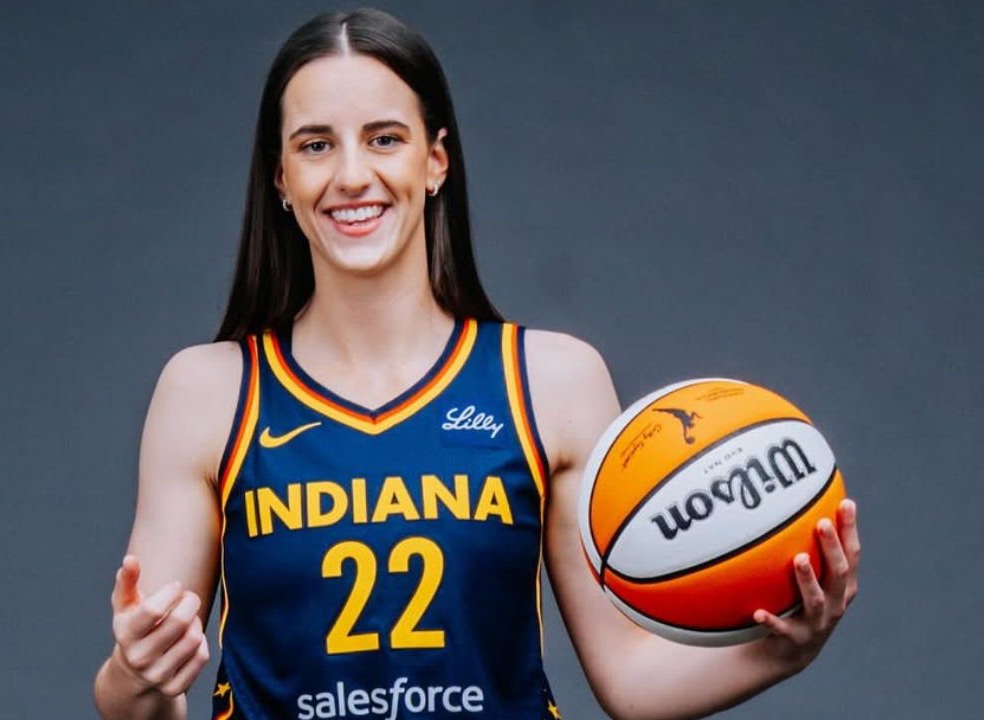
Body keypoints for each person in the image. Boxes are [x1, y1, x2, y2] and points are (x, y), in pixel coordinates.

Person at [92, 9, 861, 720]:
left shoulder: (550, 382)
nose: (352, 174)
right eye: (316, 144)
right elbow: (141, 699)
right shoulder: (208, 391)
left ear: (435, 161)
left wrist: (782, 650)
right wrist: (136, 673)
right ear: (280, 179)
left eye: (385, 138)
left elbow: (630, 679)